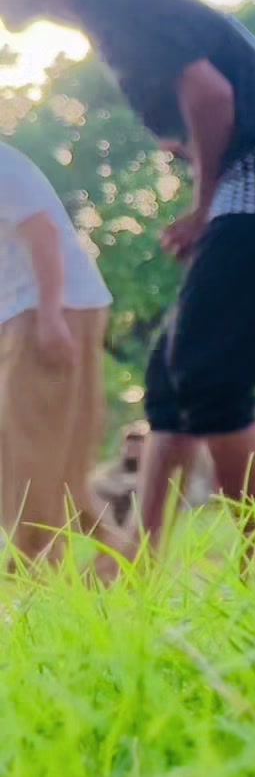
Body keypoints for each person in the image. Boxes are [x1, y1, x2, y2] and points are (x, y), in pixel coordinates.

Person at [0, 0, 255, 555]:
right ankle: (143, 562)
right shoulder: (110, 9)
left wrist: (203, 207)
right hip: (253, 192)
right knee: (168, 381)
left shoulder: (113, 2)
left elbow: (212, 95)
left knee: (210, 379)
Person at [0, 141, 126, 572]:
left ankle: (34, 570)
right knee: (49, 459)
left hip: (48, 307)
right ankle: (120, 558)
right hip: (24, 311)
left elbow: (43, 232)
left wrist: (51, 316)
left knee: (32, 450)